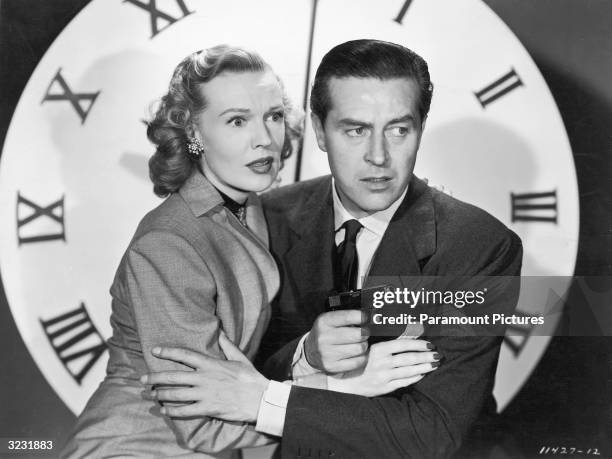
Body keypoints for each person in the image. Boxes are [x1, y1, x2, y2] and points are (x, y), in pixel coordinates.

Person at [142, 39, 523, 458]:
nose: (378, 157)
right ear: (320, 131)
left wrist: (264, 401)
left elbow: (432, 433)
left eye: (399, 129)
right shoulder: (268, 218)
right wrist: (305, 355)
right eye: (355, 130)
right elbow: (239, 369)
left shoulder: (480, 246)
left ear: (421, 129)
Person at [61, 44, 438, 459]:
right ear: (194, 133)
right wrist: (347, 389)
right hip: (134, 448)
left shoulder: (251, 206)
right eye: (237, 121)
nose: (265, 139)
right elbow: (204, 426)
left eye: (274, 116)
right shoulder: (169, 244)